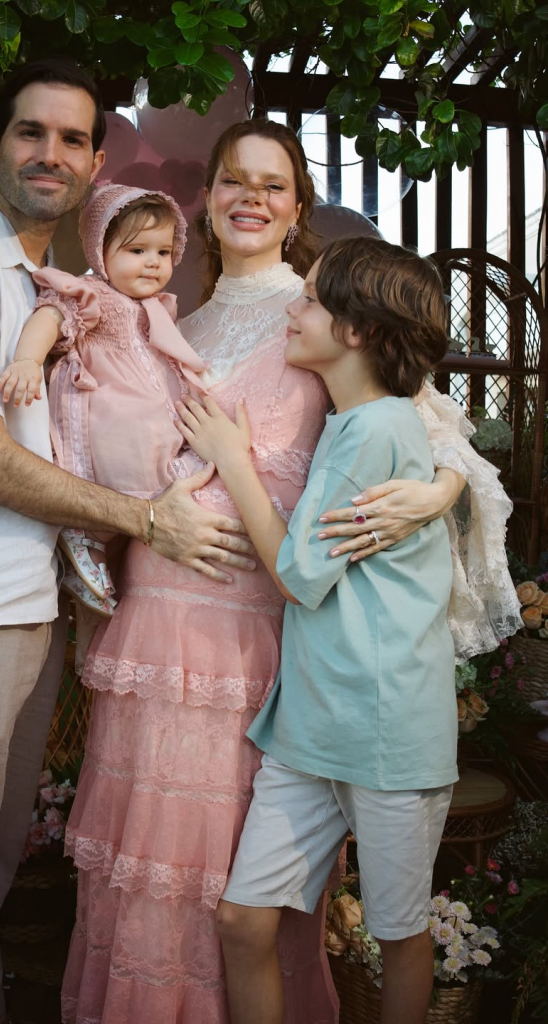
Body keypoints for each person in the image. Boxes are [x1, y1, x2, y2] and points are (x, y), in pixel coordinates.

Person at [60, 119, 519, 1024]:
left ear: (298, 207)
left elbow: (439, 435)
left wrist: (437, 491)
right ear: (207, 199)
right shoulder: (163, 322)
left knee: (243, 879)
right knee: (152, 864)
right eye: (234, 179)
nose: (252, 198)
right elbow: (88, 446)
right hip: (157, 626)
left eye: (273, 185)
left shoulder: (330, 313)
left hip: (264, 639)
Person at [0, 59, 256, 1024]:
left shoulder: (43, 283)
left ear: (94, 165)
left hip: (24, 608)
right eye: (31, 132)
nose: (52, 153)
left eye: (74, 138)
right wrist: (144, 520)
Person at [176, 237, 460, 1024]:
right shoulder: (354, 422)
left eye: (308, 300)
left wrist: (231, 458)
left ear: (357, 329)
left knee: (398, 934)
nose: (291, 313)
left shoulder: (375, 429)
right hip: (313, 727)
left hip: (386, 732)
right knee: (243, 920)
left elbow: (300, 576)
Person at [0, 183, 207, 617]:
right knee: (123, 463)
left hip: (150, 407)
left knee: (169, 458)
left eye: (163, 252)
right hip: (109, 409)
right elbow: (50, 317)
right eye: (137, 250)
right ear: (99, 250)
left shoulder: (156, 306)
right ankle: (83, 536)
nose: (153, 262)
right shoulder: (93, 294)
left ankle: (110, 552)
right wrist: (27, 360)